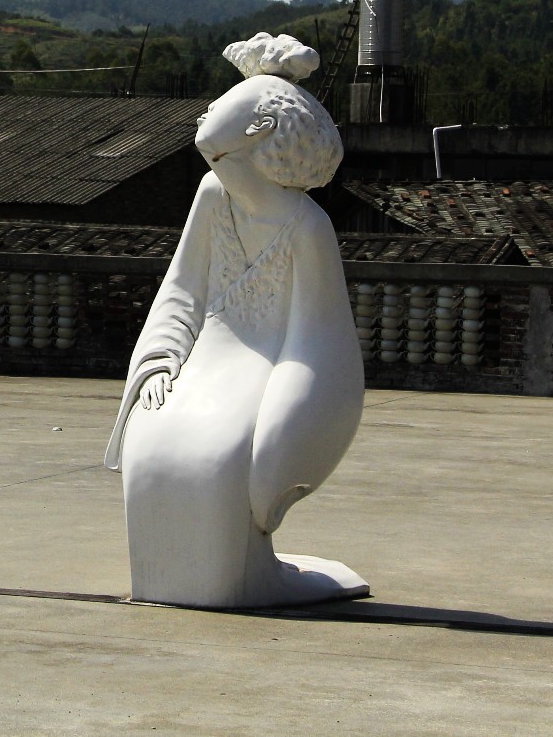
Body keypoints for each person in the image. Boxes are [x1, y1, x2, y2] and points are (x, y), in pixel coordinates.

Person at [104, 32, 368, 608]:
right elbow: (181, 289)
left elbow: (318, 343)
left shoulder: (309, 226)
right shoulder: (211, 194)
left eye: (226, 108)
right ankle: (171, 574)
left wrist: (282, 436)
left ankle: (239, 572)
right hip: (203, 364)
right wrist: (158, 362)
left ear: (259, 129)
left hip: (264, 374)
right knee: (155, 439)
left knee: (221, 453)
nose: (206, 118)